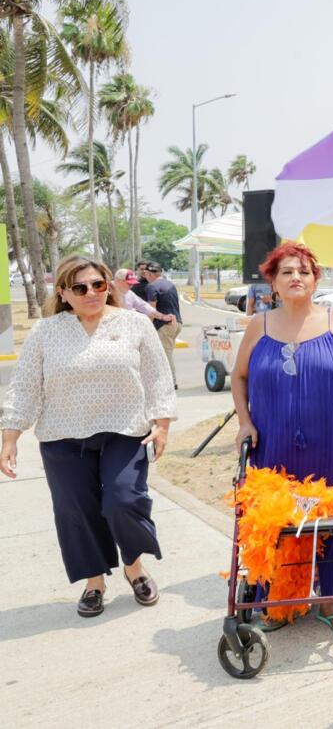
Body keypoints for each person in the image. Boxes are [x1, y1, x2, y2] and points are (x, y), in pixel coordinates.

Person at [1, 255, 176, 617]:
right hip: (62, 434)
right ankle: (94, 581)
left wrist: (162, 425)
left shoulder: (134, 324)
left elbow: (158, 376)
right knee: (76, 510)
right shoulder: (46, 331)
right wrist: (10, 436)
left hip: (124, 429)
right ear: (63, 293)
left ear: (108, 285)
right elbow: (25, 386)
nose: (92, 292)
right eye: (80, 288)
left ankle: (133, 566)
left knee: (123, 500)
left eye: (99, 284)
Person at [230, 242, 333, 634]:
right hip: (274, 443)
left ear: (315, 280)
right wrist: (244, 422)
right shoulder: (259, 326)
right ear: (273, 283)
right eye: (287, 272)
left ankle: (330, 598)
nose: (296, 277)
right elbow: (239, 377)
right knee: (278, 517)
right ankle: (280, 597)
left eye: (304, 271)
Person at [139, 263, 183, 389]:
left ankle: (171, 382)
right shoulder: (170, 284)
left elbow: (151, 310)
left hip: (164, 325)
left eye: (145, 273)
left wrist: (147, 327)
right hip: (177, 323)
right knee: (167, 352)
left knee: (165, 354)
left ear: (150, 274)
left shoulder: (151, 286)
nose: (144, 276)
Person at [113, 268, 178, 327]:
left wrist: (163, 317)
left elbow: (145, 307)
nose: (131, 286)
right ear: (118, 280)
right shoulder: (108, 293)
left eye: (132, 284)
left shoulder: (130, 294)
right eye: (129, 283)